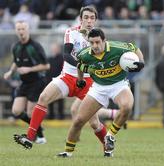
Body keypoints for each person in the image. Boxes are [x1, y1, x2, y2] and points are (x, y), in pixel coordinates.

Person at [13, 6, 117, 156]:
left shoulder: (98, 37)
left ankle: (108, 149)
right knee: (43, 98)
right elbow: (66, 54)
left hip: (88, 83)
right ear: (80, 19)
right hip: (68, 77)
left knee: (94, 123)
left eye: (92, 18)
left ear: (96, 20)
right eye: (86, 17)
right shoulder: (71, 32)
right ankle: (30, 137)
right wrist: (81, 66)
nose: (89, 20)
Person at [57, 28, 145, 157]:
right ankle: (67, 152)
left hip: (118, 84)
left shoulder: (117, 48)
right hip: (98, 87)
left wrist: (141, 62)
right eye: (92, 43)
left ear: (104, 40)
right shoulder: (84, 54)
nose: (95, 46)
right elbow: (80, 65)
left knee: (127, 107)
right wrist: (80, 80)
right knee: (78, 120)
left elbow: (135, 48)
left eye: (98, 42)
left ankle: (110, 136)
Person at [4, 21, 50, 144]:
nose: (21, 31)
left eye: (23, 29)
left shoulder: (35, 46)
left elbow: (46, 66)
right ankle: (38, 129)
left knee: (31, 113)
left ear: (28, 29)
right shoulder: (16, 47)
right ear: (16, 31)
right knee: (16, 111)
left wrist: (29, 69)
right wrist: (10, 72)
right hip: (24, 83)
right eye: (18, 29)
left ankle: (40, 137)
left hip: (37, 81)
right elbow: (16, 61)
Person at [46, 42, 65, 119]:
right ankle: (51, 115)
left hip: (60, 82)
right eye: (53, 48)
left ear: (59, 49)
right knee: (50, 99)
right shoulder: (49, 59)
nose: (54, 50)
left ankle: (61, 115)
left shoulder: (62, 58)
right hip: (50, 82)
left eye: (55, 48)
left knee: (60, 99)